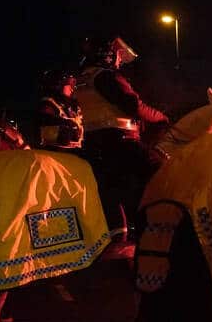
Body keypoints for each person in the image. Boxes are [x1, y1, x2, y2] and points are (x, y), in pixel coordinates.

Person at [77, 37, 170, 234]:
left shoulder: (82, 79)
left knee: (112, 190)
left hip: (94, 144)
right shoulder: (106, 77)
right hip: (120, 141)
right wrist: (161, 118)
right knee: (162, 170)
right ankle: (161, 224)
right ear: (108, 56)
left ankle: (120, 229)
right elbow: (134, 106)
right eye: (118, 57)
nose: (119, 62)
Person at [35, 70, 84, 152]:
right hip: (56, 150)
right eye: (69, 85)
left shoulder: (73, 105)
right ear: (58, 86)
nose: (72, 89)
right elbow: (46, 123)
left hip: (75, 149)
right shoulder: (48, 103)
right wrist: (67, 124)